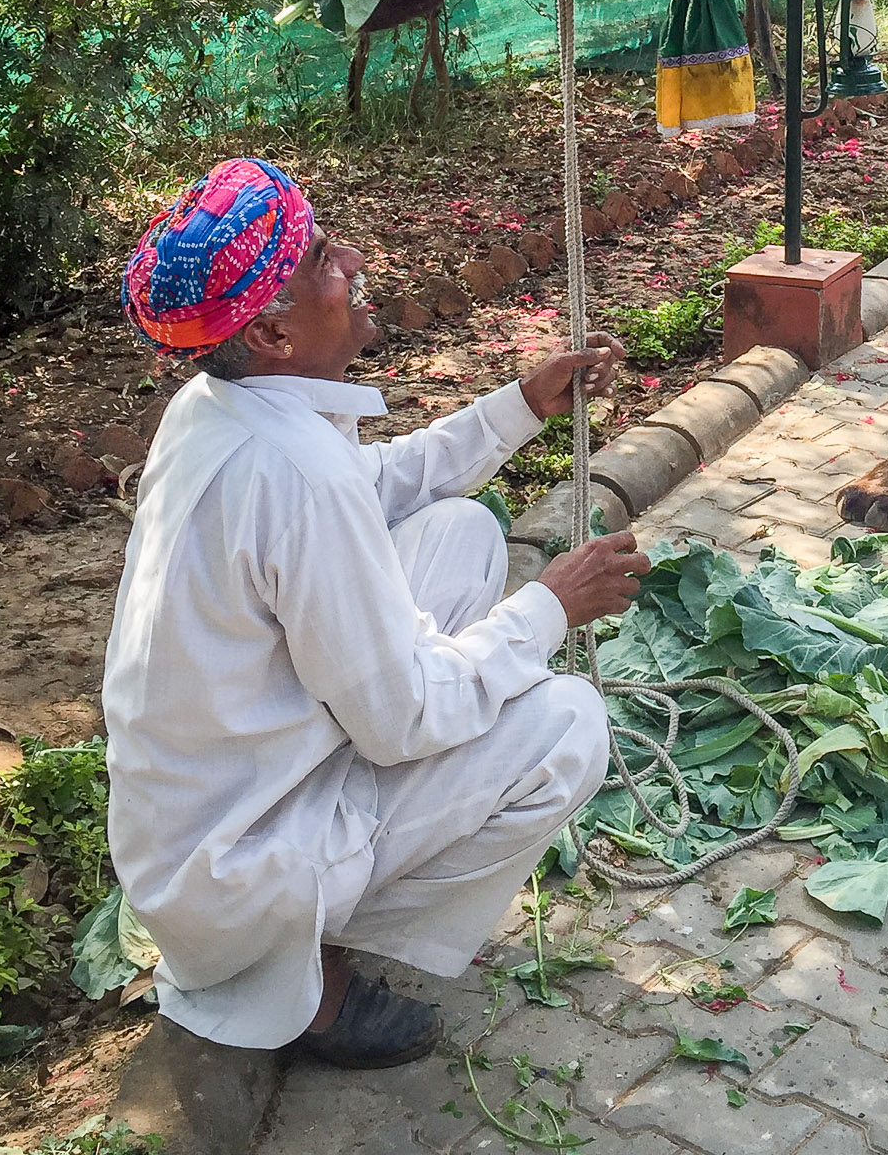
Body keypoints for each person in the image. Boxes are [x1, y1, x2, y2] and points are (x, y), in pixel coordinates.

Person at [104, 156, 645, 1079]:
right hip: (240, 871)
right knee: (566, 725)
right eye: (320, 258)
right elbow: (402, 723)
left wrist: (517, 407)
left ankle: (327, 902)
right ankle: (309, 978)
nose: (351, 258)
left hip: (202, 824)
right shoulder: (290, 476)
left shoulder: (220, 406)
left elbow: (374, 486)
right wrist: (549, 608)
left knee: (462, 531)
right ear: (273, 332)